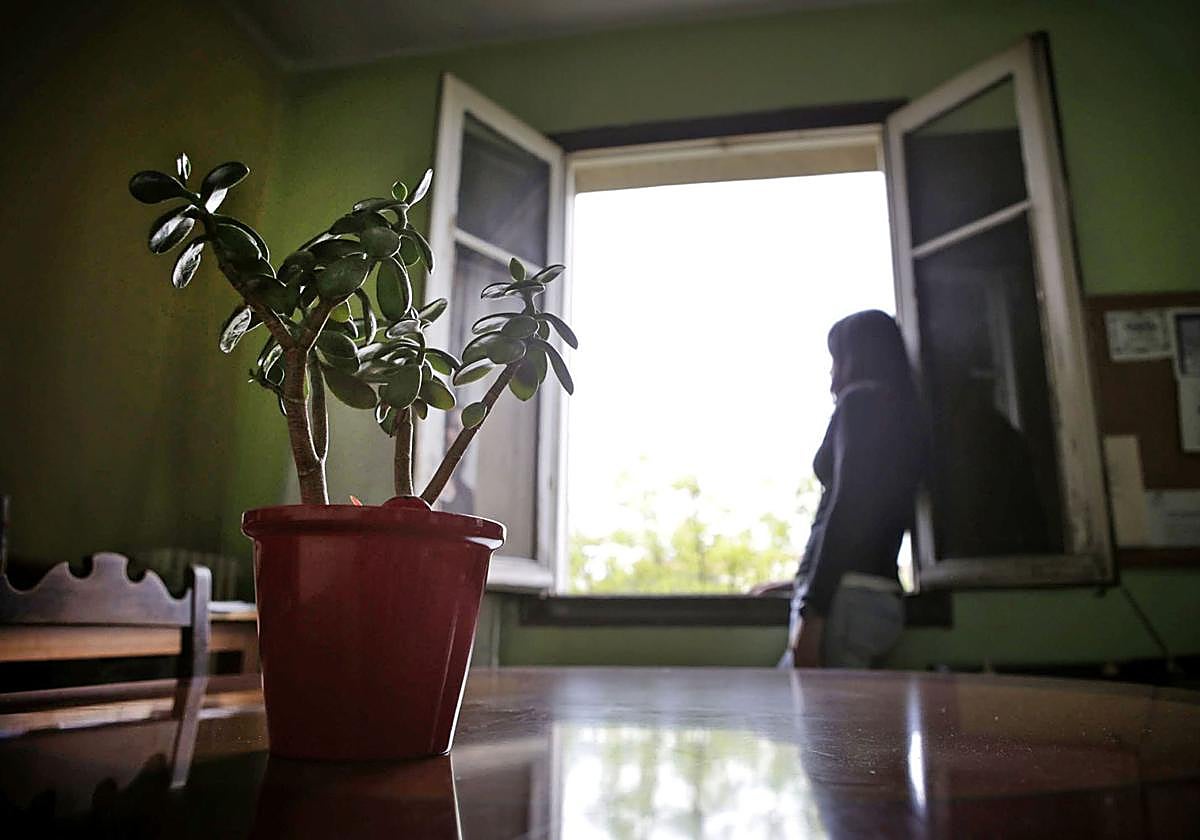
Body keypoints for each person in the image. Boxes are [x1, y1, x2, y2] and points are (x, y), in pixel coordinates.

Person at [782, 310, 926, 669]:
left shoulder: (860, 403)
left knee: (817, 719)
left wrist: (812, 611)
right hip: (870, 595)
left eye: (836, 359)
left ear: (855, 357)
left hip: (845, 601)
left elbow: (848, 508)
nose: (832, 373)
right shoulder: (904, 415)